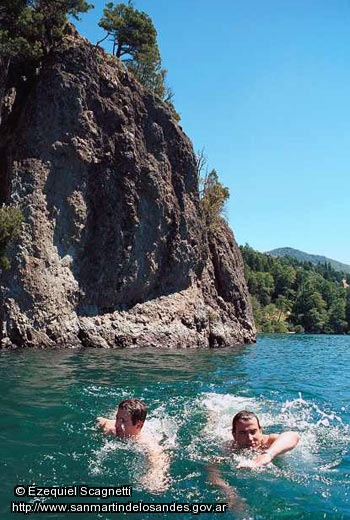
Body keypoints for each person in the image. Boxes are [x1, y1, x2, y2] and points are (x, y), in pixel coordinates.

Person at [97, 398, 169, 491]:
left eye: (123, 421)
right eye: (117, 418)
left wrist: (152, 478)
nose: (117, 424)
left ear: (138, 425)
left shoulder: (147, 443)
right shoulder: (110, 428)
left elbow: (159, 462)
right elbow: (100, 419)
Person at [231, 410, 300, 469]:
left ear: (260, 431)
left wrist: (267, 455)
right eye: (243, 433)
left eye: (253, 432)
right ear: (234, 435)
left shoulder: (269, 441)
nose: (250, 438)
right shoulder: (231, 448)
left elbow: (294, 436)